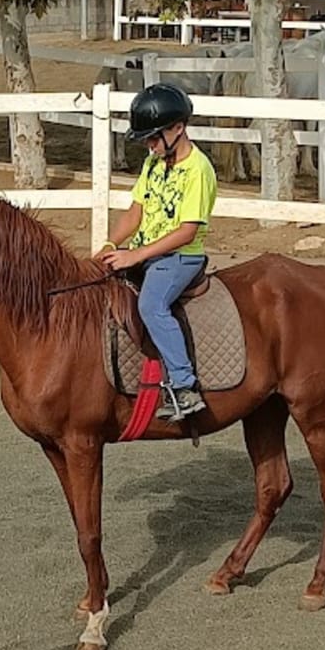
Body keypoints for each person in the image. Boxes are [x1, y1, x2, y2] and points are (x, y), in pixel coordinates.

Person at [96, 83, 217, 421]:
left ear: (178, 128)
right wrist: (110, 245)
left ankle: (184, 386)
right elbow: (136, 212)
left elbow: (187, 231)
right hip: (146, 252)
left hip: (181, 256)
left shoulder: (198, 170)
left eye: (153, 138)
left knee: (151, 305)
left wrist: (134, 256)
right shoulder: (154, 163)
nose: (149, 146)